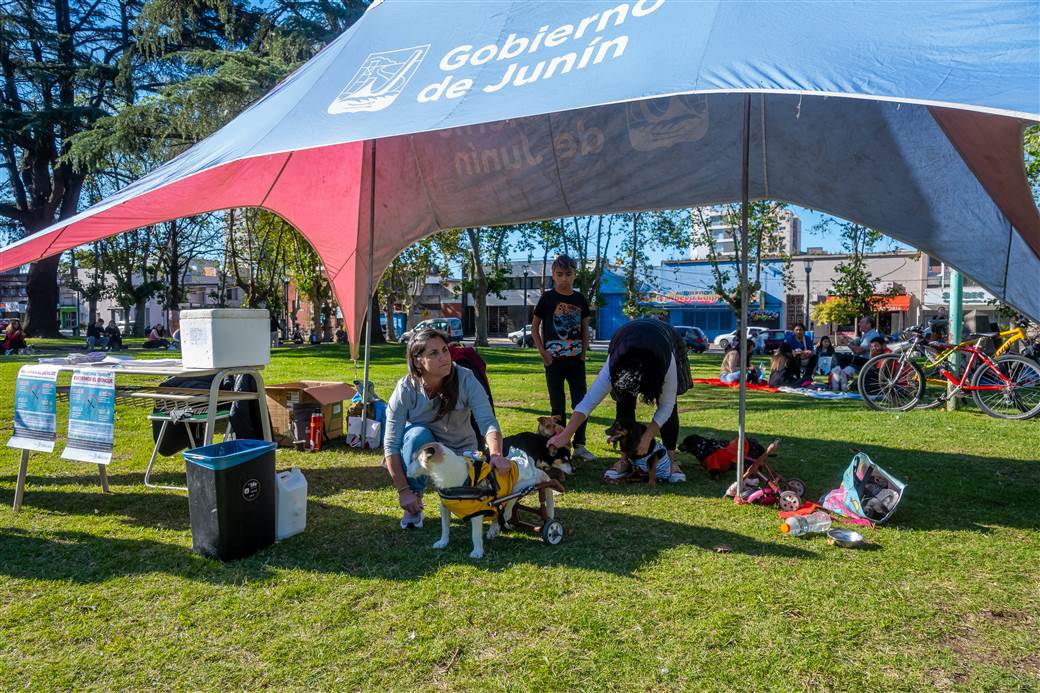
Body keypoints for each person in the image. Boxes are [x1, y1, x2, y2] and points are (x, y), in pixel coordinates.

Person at [383, 328, 507, 529]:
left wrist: (496, 454)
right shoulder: (405, 389)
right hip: (424, 449)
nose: (444, 357)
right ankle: (414, 500)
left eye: (445, 350)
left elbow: (488, 422)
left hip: (461, 453)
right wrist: (403, 490)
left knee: (469, 505)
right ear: (417, 361)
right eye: (434, 353)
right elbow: (391, 444)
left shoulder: (466, 378)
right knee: (415, 435)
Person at [548, 318, 691, 483]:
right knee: (624, 402)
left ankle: (671, 459)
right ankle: (624, 460)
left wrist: (647, 437)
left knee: (669, 404)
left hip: (664, 339)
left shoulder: (666, 364)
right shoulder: (614, 366)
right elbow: (587, 403)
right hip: (625, 339)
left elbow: (666, 406)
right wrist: (565, 435)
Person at [532, 254, 595, 463]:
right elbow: (535, 327)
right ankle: (559, 444)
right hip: (554, 362)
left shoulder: (579, 299)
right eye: (560, 274)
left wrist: (584, 352)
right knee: (557, 405)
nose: (564, 279)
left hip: (576, 361)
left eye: (568, 274)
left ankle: (580, 445)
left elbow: (585, 327)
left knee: (581, 404)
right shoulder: (547, 298)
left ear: (575, 275)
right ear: (553, 275)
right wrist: (543, 351)